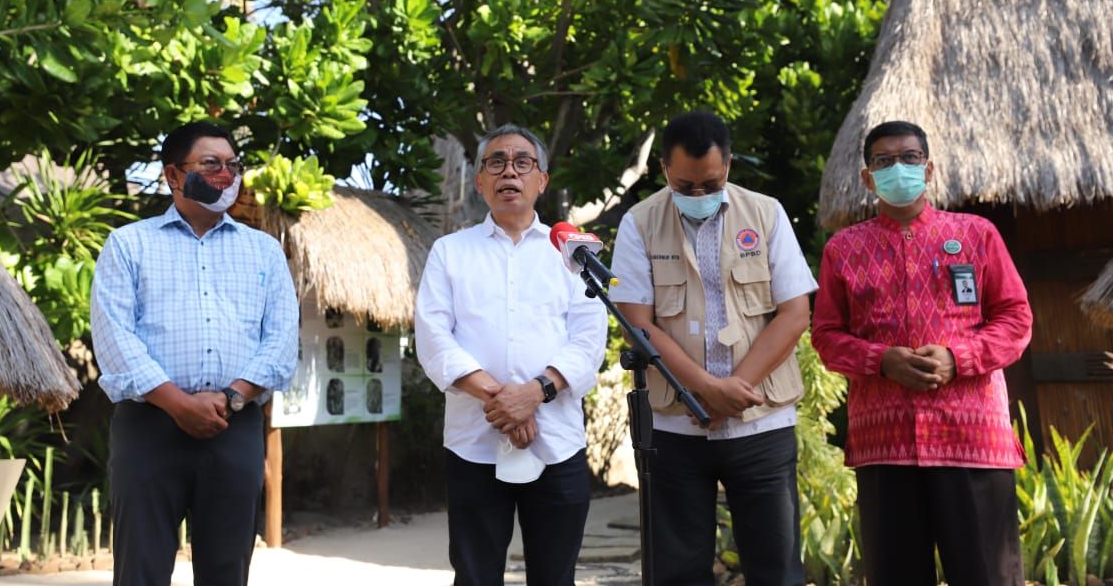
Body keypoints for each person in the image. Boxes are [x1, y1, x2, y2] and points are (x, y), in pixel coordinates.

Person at [811, 120, 1032, 586]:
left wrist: (959, 359)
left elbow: (1016, 320)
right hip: (884, 444)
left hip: (972, 442)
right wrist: (880, 360)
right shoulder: (843, 249)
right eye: (884, 161)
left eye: (910, 158)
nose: (899, 168)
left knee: (986, 575)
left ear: (928, 168)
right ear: (868, 177)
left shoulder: (977, 235)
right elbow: (827, 336)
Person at [609, 111, 817, 585]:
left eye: (712, 183)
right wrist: (702, 390)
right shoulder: (639, 224)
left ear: (727, 168)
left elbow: (794, 312)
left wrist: (732, 390)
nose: (699, 195)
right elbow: (636, 324)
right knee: (677, 571)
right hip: (674, 428)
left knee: (777, 569)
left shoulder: (766, 213)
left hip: (761, 424)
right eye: (686, 187)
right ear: (664, 169)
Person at [91, 121, 299, 586]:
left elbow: (282, 341)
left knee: (227, 572)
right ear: (173, 175)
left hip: (234, 426)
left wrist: (231, 397)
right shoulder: (128, 245)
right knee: (140, 570)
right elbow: (115, 339)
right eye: (211, 164)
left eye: (233, 165)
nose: (226, 175)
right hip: (149, 428)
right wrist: (179, 404)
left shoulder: (264, 252)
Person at [415, 124, 608, 586]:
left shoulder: (574, 254)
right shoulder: (449, 252)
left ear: (542, 180)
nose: (509, 172)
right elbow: (434, 337)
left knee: (555, 576)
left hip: (557, 442)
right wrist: (502, 400)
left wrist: (536, 392)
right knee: (475, 575)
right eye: (496, 162)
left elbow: (588, 339)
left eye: (523, 163)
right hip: (474, 444)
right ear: (480, 181)